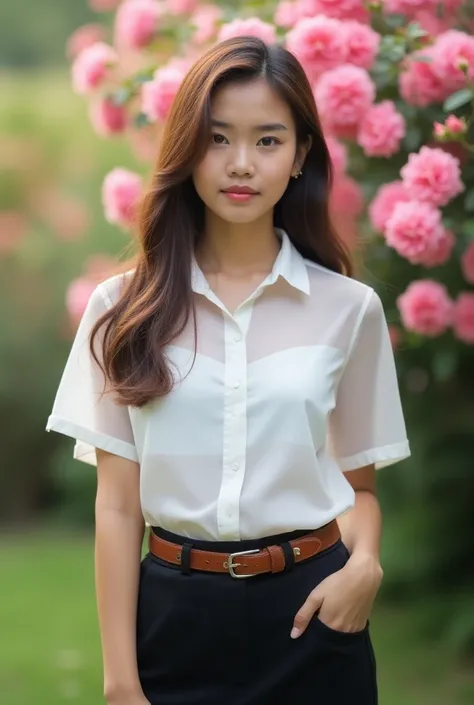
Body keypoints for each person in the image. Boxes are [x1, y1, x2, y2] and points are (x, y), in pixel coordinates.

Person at [46, 36, 410, 705]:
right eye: (218, 139)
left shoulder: (348, 310)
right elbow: (119, 506)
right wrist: (121, 681)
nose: (241, 164)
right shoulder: (120, 309)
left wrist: (364, 566)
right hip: (172, 624)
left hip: (314, 620)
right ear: (187, 148)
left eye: (268, 141)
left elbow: (360, 488)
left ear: (301, 154)